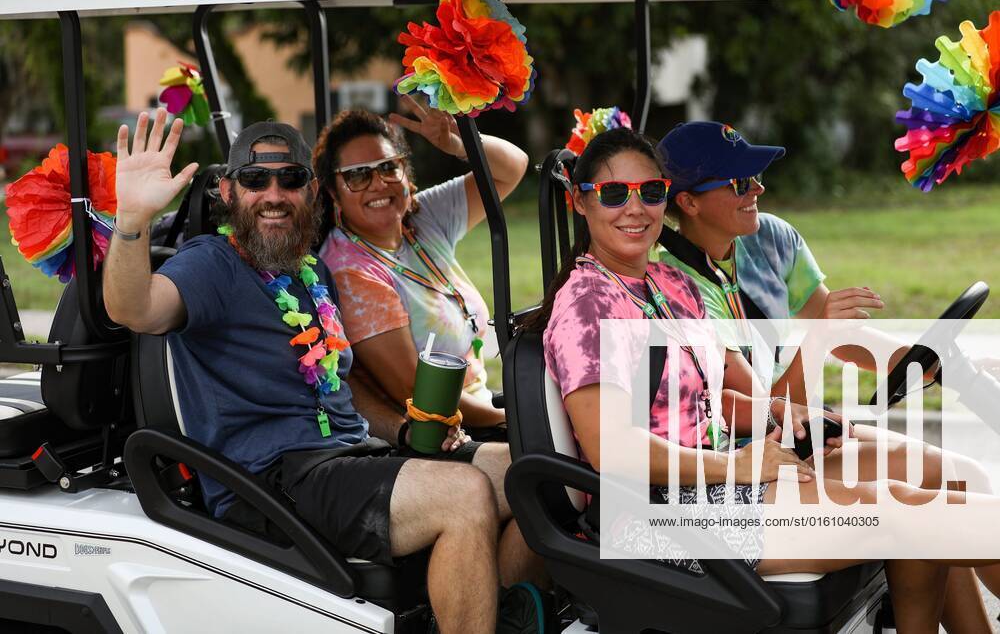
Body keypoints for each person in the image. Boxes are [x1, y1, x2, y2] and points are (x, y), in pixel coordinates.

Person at [529, 126, 1000, 631]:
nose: (636, 208)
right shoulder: (587, 305)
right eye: (614, 193)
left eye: (650, 192)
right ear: (581, 203)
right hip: (656, 516)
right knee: (906, 510)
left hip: (718, 481)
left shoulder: (671, 284)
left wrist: (783, 414)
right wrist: (738, 465)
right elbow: (613, 452)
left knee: (926, 494)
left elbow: (723, 394)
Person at [103, 108, 532, 634]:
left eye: (291, 179)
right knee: (462, 494)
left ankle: (503, 614)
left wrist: (398, 428)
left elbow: (339, 382)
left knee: (526, 471)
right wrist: (132, 223)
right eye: (255, 180)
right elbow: (135, 308)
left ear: (311, 193)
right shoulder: (211, 264)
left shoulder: (312, 269)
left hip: (350, 457)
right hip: (272, 481)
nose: (274, 193)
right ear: (229, 193)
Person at [314, 98, 528, 441]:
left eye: (388, 167)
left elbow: (513, 168)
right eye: (357, 175)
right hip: (440, 434)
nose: (378, 183)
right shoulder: (349, 270)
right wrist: (513, 418)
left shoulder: (420, 217)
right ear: (333, 193)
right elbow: (418, 390)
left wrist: (460, 146)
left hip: (483, 410)